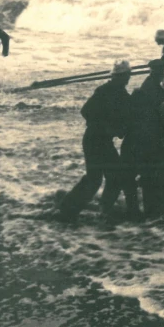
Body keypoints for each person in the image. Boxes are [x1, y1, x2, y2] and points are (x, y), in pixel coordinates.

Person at [57, 60, 132, 221]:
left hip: (98, 140)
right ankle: (69, 209)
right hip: (96, 139)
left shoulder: (117, 93)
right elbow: (86, 111)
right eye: (122, 76)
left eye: (123, 76)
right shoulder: (106, 91)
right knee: (99, 178)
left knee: (109, 177)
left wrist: (112, 128)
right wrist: (106, 127)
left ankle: (93, 208)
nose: (124, 79)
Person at [120, 59, 164, 219]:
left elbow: (124, 126)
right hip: (150, 143)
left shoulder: (142, 91)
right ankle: (151, 211)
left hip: (132, 144)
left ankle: (133, 210)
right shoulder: (160, 92)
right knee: (148, 177)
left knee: (129, 178)